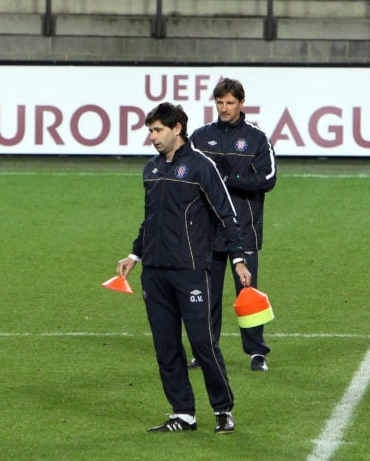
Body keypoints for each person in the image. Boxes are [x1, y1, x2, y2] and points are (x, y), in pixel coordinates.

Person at [116, 102, 251, 434]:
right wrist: (135, 255)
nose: (152, 137)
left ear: (177, 129)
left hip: (191, 270)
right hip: (155, 272)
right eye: (150, 130)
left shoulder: (201, 167)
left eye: (158, 130)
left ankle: (222, 409)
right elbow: (151, 219)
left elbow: (226, 215)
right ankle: (183, 413)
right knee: (166, 347)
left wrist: (238, 259)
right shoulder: (151, 169)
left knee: (203, 344)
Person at [189, 78, 277, 372]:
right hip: (208, 231)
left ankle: (256, 352)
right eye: (219, 102)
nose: (224, 108)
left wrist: (231, 180)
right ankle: (206, 351)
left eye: (229, 103)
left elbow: (268, 179)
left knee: (247, 291)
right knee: (207, 294)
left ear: (241, 103)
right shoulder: (200, 137)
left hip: (244, 229)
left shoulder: (256, 138)